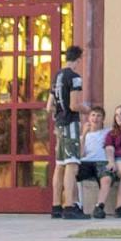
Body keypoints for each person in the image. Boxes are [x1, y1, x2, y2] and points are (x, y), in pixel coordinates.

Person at [48, 46, 84, 217]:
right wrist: (88, 109)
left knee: (60, 164)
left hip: (59, 124)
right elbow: (74, 105)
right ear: (78, 59)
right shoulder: (75, 77)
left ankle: (56, 206)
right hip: (70, 123)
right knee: (71, 163)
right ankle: (69, 205)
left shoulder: (57, 76)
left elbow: (49, 106)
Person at [72, 106, 112, 218]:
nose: (95, 118)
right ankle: (77, 204)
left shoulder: (108, 132)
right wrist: (84, 134)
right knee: (72, 175)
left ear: (103, 119)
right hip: (86, 162)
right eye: (93, 115)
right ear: (88, 118)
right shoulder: (82, 136)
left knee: (107, 178)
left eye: (99, 116)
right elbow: (80, 155)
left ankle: (99, 207)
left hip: (102, 162)